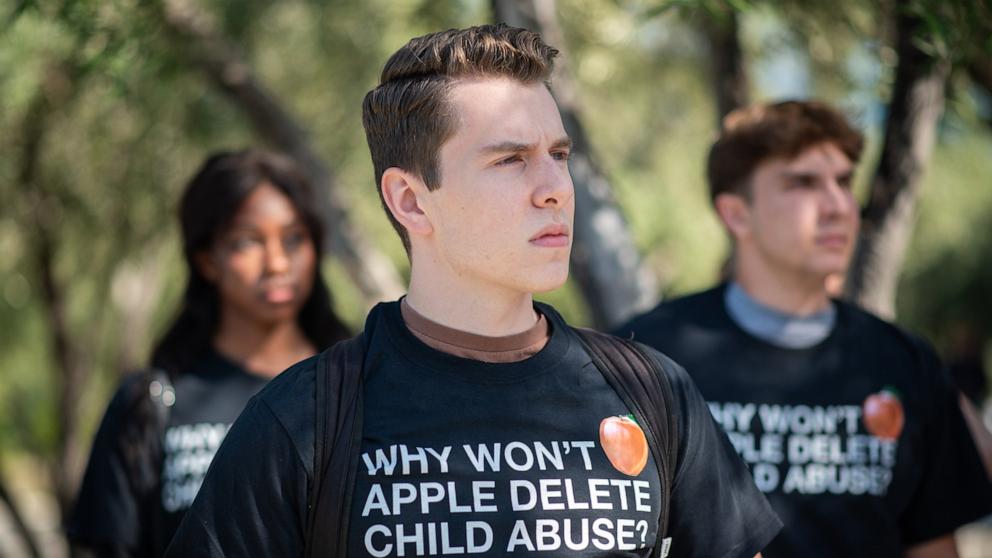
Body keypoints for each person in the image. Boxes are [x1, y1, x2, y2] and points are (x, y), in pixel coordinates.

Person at [165, 24, 780, 558]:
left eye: (559, 154)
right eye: (510, 160)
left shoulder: (654, 393)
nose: (556, 189)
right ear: (410, 200)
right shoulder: (302, 419)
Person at [616, 100, 992, 557]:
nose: (838, 206)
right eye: (803, 183)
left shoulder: (903, 359)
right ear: (737, 214)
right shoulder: (648, 356)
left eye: (843, 182)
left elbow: (934, 545)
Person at [67, 149, 350, 557]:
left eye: (294, 239)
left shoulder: (360, 385)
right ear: (206, 260)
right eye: (247, 242)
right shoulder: (153, 404)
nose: (276, 263)